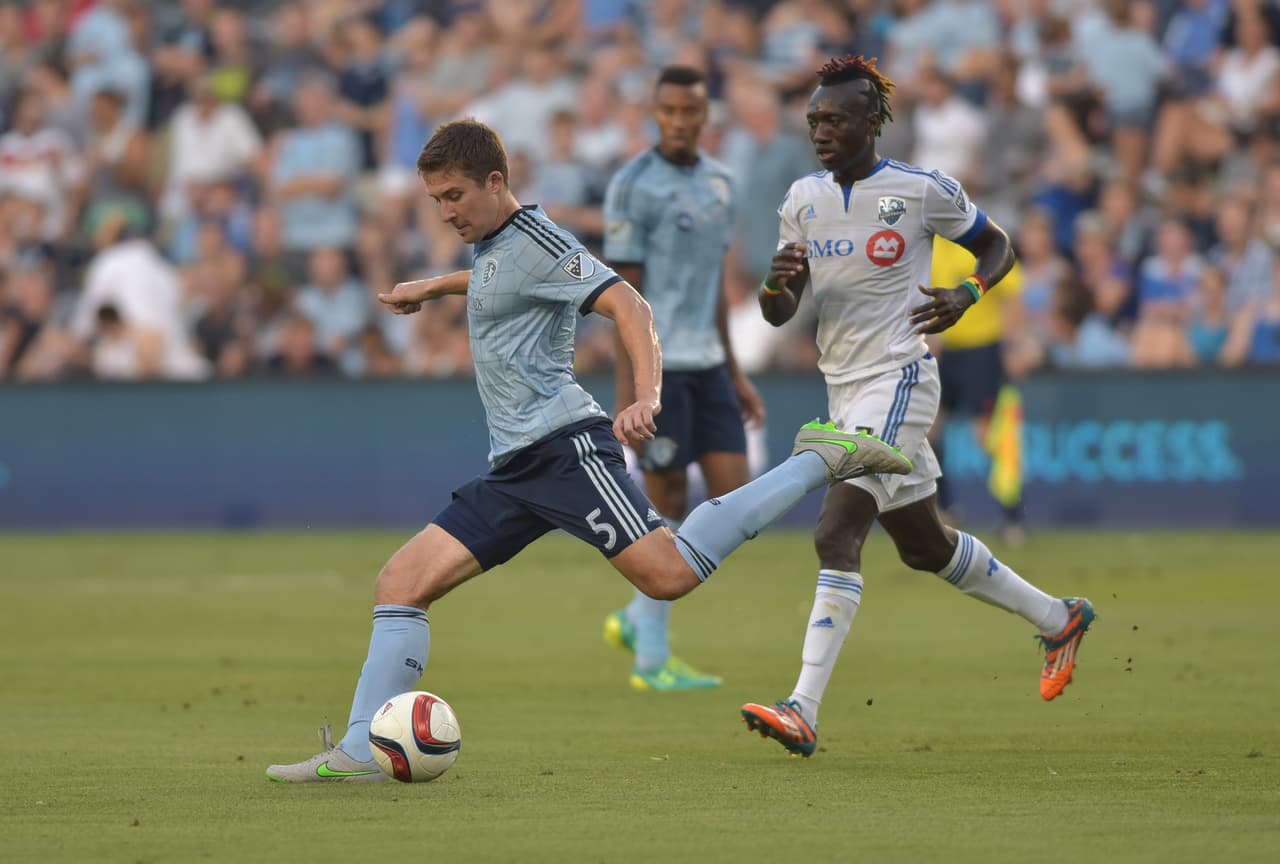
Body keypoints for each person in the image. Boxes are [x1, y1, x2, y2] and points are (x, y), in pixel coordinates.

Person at [265, 118, 913, 783]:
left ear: (495, 181)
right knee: (400, 584)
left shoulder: (542, 240)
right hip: (516, 469)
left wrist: (646, 397)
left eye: (454, 195)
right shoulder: (493, 244)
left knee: (668, 575)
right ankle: (360, 754)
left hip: (563, 450)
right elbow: (499, 280)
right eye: (436, 200)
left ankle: (818, 458)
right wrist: (433, 287)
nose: (446, 211)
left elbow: (631, 306)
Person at [738, 56, 1096, 758]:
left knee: (835, 533)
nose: (820, 132)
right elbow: (778, 312)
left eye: (834, 120)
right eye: (813, 121)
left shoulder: (920, 190)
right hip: (843, 390)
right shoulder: (802, 199)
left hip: (899, 378)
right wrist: (774, 287)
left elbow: (996, 246)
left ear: (872, 121)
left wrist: (968, 293)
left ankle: (802, 708)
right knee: (925, 546)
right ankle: (1060, 619)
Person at [599, 65, 766, 692]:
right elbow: (622, 298)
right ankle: (652, 659)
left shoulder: (721, 183)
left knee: (736, 498)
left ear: (704, 115)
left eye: (688, 111)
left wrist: (736, 371)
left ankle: (634, 618)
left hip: (710, 364)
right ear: (655, 112)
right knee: (664, 502)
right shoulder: (632, 186)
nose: (677, 121)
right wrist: (631, 394)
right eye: (667, 110)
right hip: (659, 368)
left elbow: (714, 289)